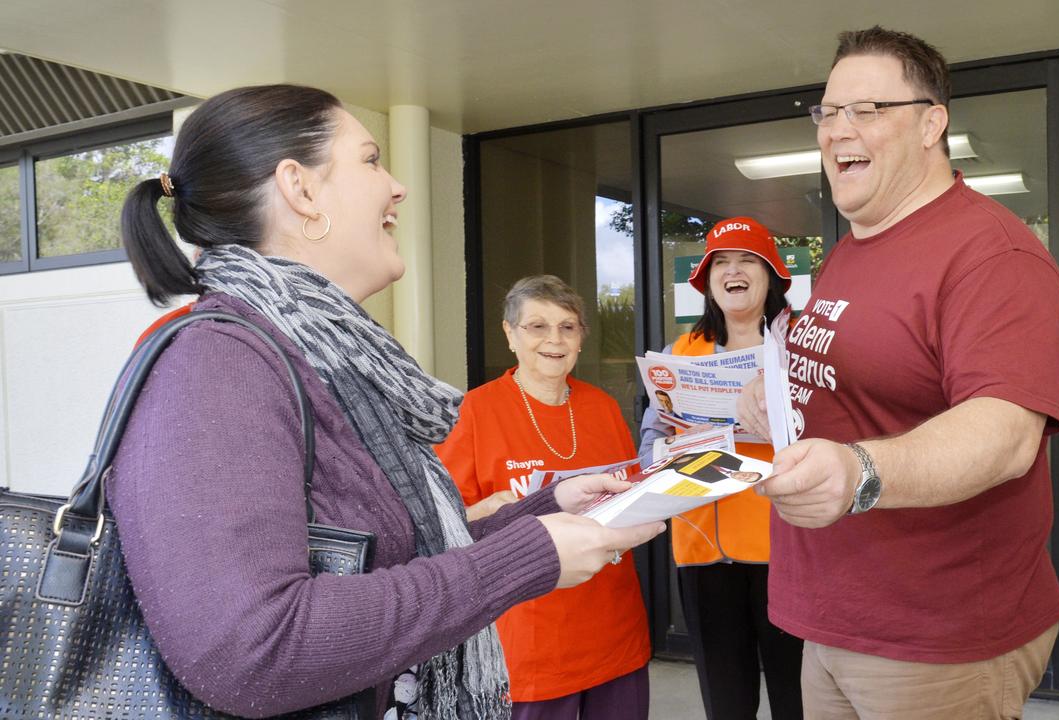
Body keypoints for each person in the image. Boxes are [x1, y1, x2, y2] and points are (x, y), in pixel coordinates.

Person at [110, 84, 664, 719]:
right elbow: (253, 650)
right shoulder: (219, 363)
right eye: (371, 160)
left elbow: (387, 559)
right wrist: (528, 558)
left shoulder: (319, 356)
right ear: (301, 190)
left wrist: (546, 507)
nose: (396, 186)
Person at [737, 27, 1059, 719]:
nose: (836, 130)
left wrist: (859, 472)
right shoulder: (849, 251)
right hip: (832, 615)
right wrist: (772, 400)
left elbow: (1004, 435)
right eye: (827, 112)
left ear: (930, 123)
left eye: (866, 110)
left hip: (935, 636)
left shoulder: (992, 253)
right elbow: (845, 387)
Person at [437, 275, 651, 719]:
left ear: (580, 339)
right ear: (510, 334)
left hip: (614, 629)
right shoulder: (474, 412)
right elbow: (442, 524)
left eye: (568, 327)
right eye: (537, 326)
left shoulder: (602, 407)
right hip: (529, 643)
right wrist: (492, 511)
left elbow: (631, 494)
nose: (554, 339)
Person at [638, 216, 804, 720]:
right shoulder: (677, 354)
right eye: (721, 264)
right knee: (726, 703)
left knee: (797, 698)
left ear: (771, 274)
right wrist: (667, 452)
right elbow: (650, 445)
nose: (734, 271)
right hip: (705, 554)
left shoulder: (799, 349)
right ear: (707, 282)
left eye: (747, 260)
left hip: (788, 549)